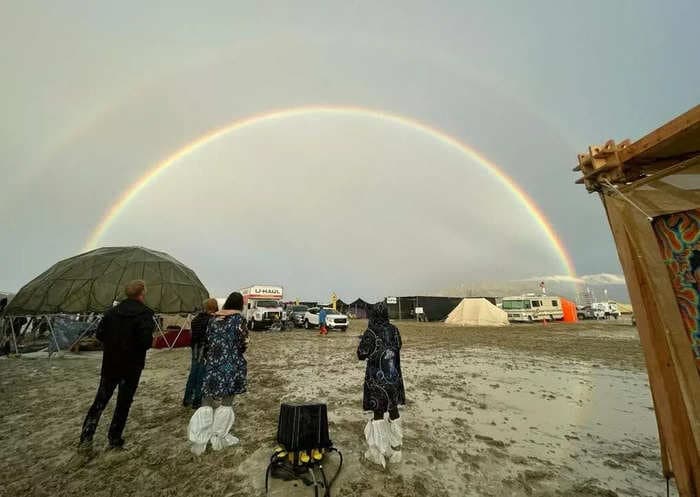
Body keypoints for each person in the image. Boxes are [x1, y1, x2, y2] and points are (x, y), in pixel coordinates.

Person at [79, 280, 154, 449]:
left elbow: (99, 334)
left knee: (100, 400)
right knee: (124, 403)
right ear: (142, 294)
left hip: (111, 363)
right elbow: (145, 342)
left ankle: (86, 436)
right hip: (131, 366)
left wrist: (114, 344)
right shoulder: (144, 314)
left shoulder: (112, 312)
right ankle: (114, 438)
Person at [188, 292, 248, 455]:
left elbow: (207, 340)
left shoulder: (213, 319)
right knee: (227, 400)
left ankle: (200, 436)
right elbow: (243, 343)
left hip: (213, 363)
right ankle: (219, 436)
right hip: (231, 364)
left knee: (207, 399)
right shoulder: (239, 319)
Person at [357, 301, 405, 467]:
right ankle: (396, 448)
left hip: (376, 381)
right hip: (393, 378)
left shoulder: (370, 332)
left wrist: (366, 339)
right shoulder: (394, 330)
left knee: (378, 414)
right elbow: (398, 346)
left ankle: (379, 452)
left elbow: (361, 354)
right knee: (393, 410)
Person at [183, 298, 219, 409]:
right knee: (202, 375)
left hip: (195, 348)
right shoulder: (212, 320)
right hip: (205, 350)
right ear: (214, 307)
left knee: (193, 373)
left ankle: (187, 399)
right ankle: (197, 400)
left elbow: (192, 335)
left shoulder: (196, 319)